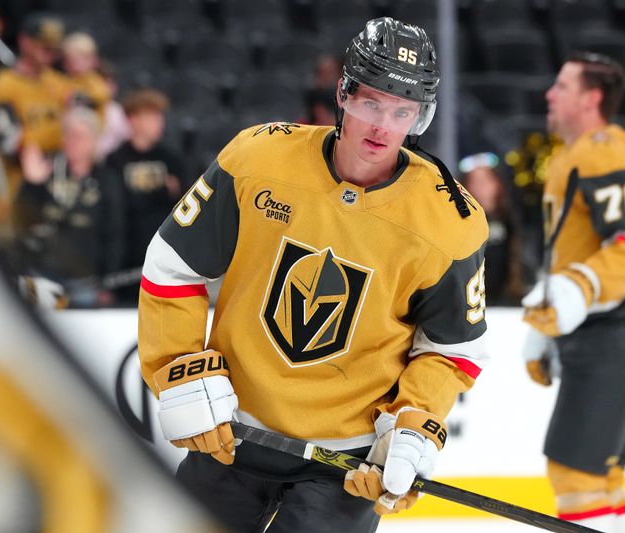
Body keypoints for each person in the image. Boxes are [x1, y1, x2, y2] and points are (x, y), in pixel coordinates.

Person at [138, 17, 489, 532]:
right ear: (343, 94)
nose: (382, 127)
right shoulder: (256, 159)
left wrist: (413, 426)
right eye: (371, 102)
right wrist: (179, 367)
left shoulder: (450, 223)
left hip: (343, 467)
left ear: (421, 117)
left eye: (401, 111)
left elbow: (450, 348)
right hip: (233, 435)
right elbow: (173, 265)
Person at [521, 52, 625, 532]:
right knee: (602, 477)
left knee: (577, 476)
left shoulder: (610, 150)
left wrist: (574, 292)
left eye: (562, 86)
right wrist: (550, 325)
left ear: (592, 98)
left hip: (618, 334)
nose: (550, 95)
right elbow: (572, 254)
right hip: (611, 334)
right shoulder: (572, 155)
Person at [14, 106, 125, 308]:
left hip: (85, 281)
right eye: (68, 135)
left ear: (93, 141)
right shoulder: (46, 171)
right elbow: (21, 219)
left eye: (79, 136)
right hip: (43, 275)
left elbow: (115, 232)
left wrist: (108, 283)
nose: (72, 141)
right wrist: (32, 185)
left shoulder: (107, 179)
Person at [105, 88, 186, 305]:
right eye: (151, 117)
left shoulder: (171, 157)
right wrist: (161, 193)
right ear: (132, 120)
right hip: (127, 263)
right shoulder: (115, 160)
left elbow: (185, 203)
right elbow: (119, 207)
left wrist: (142, 198)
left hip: (163, 259)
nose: (159, 123)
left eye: (159, 116)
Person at [0, 12, 72, 196]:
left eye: (55, 47)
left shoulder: (59, 82)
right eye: (44, 46)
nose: (50, 52)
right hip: (17, 178)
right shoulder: (5, 83)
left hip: (57, 175)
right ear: (25, 42)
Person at [460, 152, 526, 304]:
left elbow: (522, 259)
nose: (481, 186)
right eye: (475, 180)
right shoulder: (459, 221)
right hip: (472, 302)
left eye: (486, 179)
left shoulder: (512, 218)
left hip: (509, 300)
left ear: (497, 183)